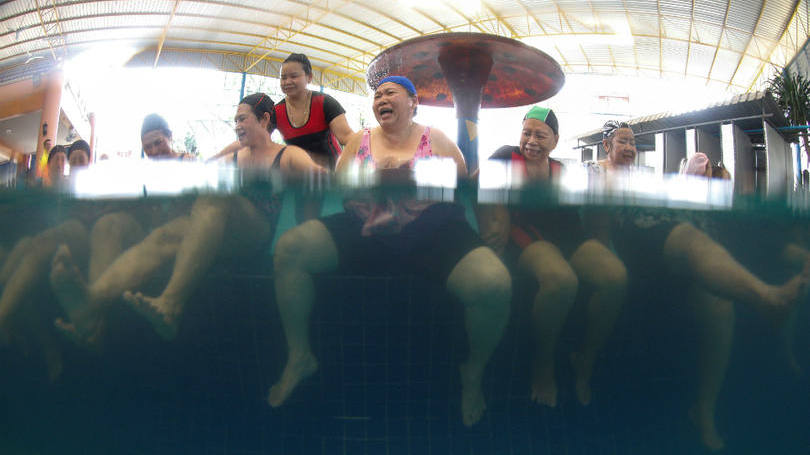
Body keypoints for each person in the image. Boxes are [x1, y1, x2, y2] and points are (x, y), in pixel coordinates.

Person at [268, 76, 511, 427]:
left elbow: (461, 188)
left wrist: (417, 182)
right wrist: (371, 184)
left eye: (390, 93)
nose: (381, 98)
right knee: (291, 249)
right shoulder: (359, 141)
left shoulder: (437, 139)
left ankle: (472, 371)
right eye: (377, 95)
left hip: (432, 229)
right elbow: (341, 188)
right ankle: (300, 355)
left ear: (413, 102)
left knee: (494, 283)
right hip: (367, 227)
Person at [595, 121, 810, 451]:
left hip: (668, 251)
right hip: (632, 251)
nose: (629, 147)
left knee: (719, 304)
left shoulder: (642, 178)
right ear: (607, 145)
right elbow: (596, 228)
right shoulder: (595, 173)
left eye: (633, 142)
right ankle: (770, 300)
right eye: (623, 141)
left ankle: (704, 409)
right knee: (687, 236)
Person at [50, 95, 325, 343]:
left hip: (256, 230)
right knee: (163, 236)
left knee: (216, 195)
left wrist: (307, 216)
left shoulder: (287, 155)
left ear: (264, 120)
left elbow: (321, 180)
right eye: (235, 121)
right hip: (223, 227)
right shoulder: (234, 155)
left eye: (243, 119)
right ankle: (90, 302)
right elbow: (202, 172)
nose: (237, 125)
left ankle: (171, 303)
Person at [477, 106, 627, 407]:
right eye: (526, 133)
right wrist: (494, 220)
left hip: (568, 236)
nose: (531, 141)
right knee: (561, 280)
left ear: (555, 140)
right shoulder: (506, 156)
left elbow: (580, 212)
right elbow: (476, 182)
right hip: (526, 234)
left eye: (540, 135)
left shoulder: (560, 169)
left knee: (616, 278)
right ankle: (543, 364)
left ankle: (585, 357)